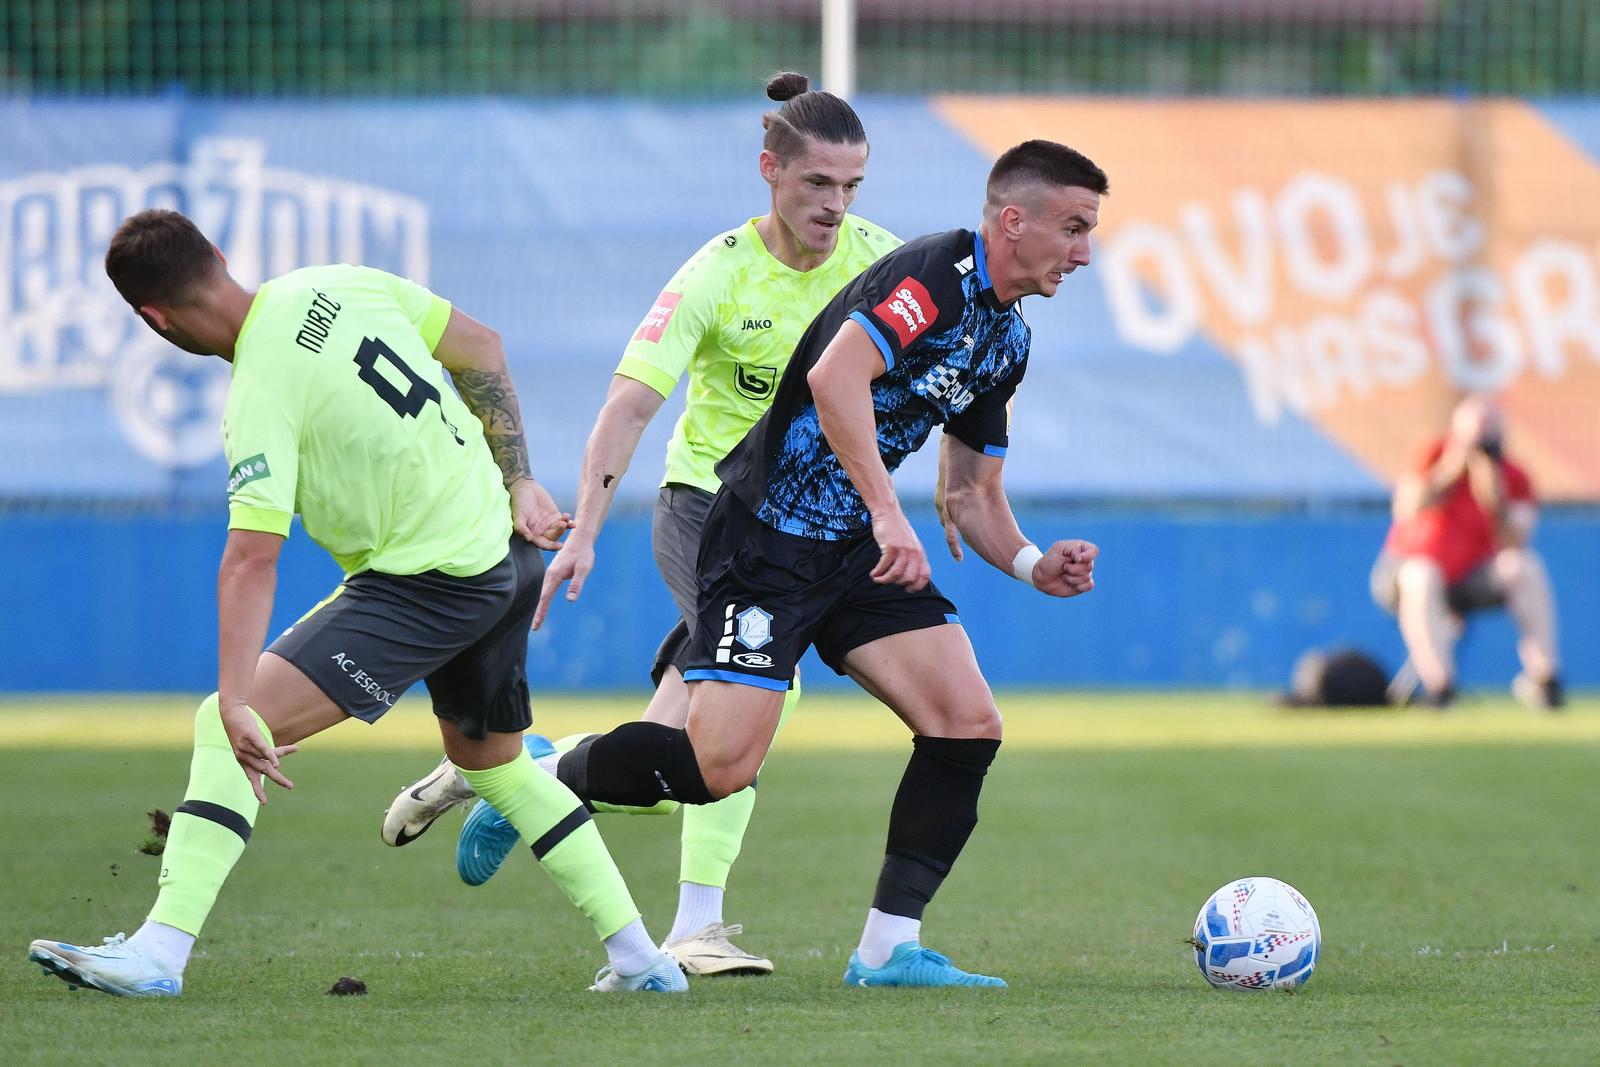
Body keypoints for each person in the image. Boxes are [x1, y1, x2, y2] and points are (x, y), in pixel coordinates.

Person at [27, 209, 685, 997]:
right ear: (223, 257)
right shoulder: (337, 282)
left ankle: (158, 955)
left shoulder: (259, 392)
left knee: (228, 721)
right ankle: (642, 959)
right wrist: (517, 477)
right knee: (495, 766)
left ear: (154, 320)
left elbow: (250, 560)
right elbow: (483, 348)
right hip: (503, 551)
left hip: (431, 582)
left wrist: (239, 700)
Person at [537, 139, 1108, 988]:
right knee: (715, 768)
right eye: (1073, 227)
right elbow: (837, 373)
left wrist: (1031, 562)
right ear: (1012, 220)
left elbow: (970, 496)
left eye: (1090, 231)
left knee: (966, 719)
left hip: (855, 556)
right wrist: (887, 513)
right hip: (763, 540)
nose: (1085, 251)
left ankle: (885, 949)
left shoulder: (1006, 338)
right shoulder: (936, 276)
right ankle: (536, 778)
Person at [381, 71, 901, 978]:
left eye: (852, 187)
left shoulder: (881, 264)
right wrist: (582, 528)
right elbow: (626, 409)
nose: (835, 205)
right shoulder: (716, 272)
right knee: (758, 687)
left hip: (810, 525)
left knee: (684, 761)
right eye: (818, 183)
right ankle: (696, 925)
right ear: (770, 170)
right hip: (708, 510)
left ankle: (517, 775)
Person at [1370, 393, 1564, 710]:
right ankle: (1439, 687)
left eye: (1488, 430)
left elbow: (1517, 540)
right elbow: (1405, 508)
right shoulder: (1433, 455)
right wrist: (1450, 471)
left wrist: (1492, 494)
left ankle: (1544, 680)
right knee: (1422, 574)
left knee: (1525, 567)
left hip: (1470, 579)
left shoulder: (1514, 477)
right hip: (1406, 572)